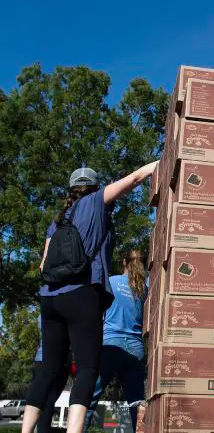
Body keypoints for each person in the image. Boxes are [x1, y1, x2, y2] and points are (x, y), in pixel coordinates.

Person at [22, 162, 158, 433]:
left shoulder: (58, 220)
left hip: (49, 298)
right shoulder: (96, 202)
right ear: (95, 187)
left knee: (48, 370)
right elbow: (133, 178)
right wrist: (160, 161)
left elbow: (43, 265)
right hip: (82, 296)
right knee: (86, 368)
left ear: (72, 189)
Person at [84, 249, 149, 432]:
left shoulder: (111, 282)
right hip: (136, 348)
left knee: (89, 399)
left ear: (123, 262)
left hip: (110, 345)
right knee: (136, 404)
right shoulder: (146, 287)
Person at [32, 315, 72, 433]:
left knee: (38, 402)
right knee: (47, 404)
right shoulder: (66, 310)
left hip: (41, 359)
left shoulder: (44, 311)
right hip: (58, 360)